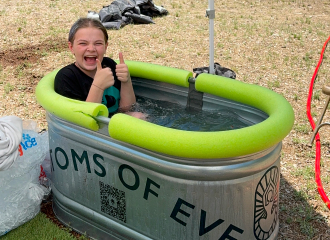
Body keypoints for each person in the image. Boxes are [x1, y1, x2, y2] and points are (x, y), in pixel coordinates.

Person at [54, 17, 144, 118]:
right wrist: (98, 86)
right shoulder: (67, 77)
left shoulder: (109, 65)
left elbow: (127, 109)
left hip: (113, 121)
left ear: (105, 47)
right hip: (91, 130)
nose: (91, 49)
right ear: (71, 47)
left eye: (98, 43)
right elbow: (83, 121)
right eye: (83, 43)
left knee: (139, 116)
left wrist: (126, 81)